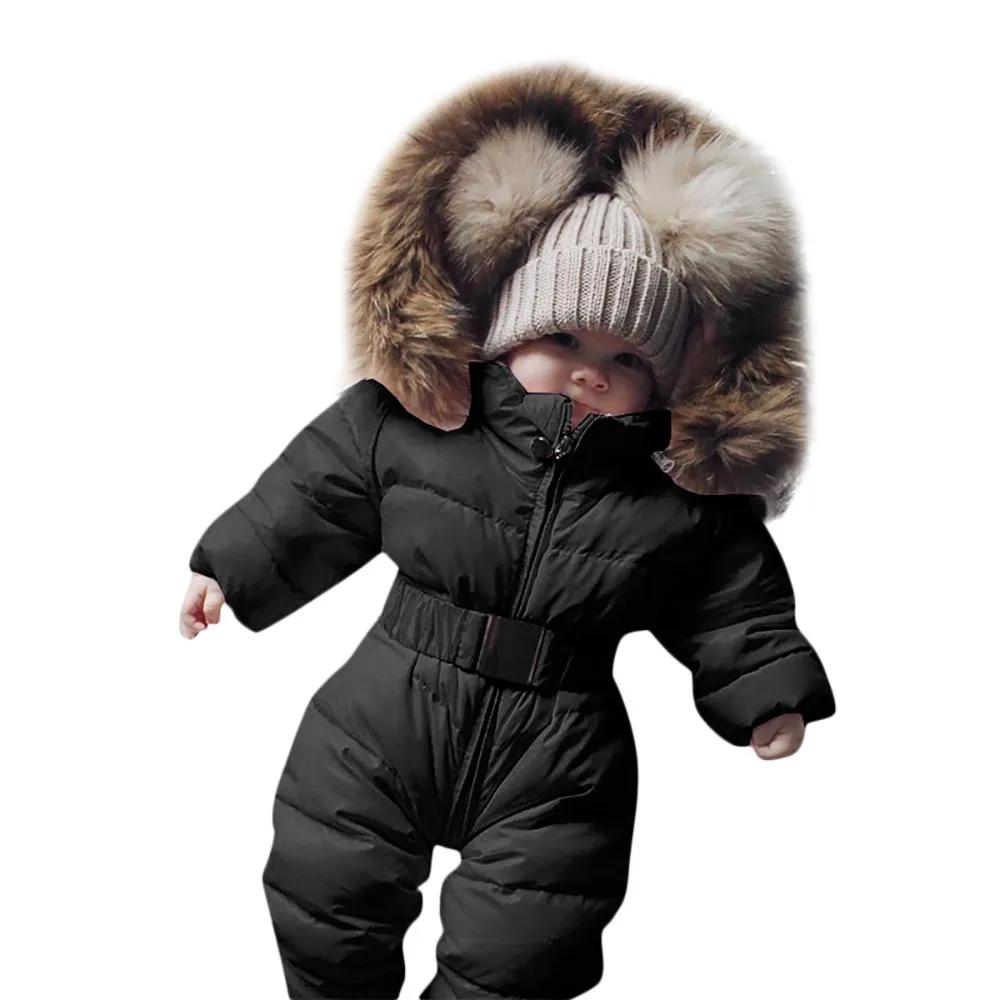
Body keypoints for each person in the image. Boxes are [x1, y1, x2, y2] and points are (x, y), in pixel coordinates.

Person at [180, 65, 836, 1000]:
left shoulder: (678, 499)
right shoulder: (416, 424)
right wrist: (232, 567)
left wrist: (768, 692)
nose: (588, 372)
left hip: (559, 759)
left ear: (662, 384)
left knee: (533, 941)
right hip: (384, 714)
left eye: (625, 358)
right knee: (324, 875)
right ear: (506, 330)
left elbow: (732, 597)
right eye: (563, 340)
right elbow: (318, 490)